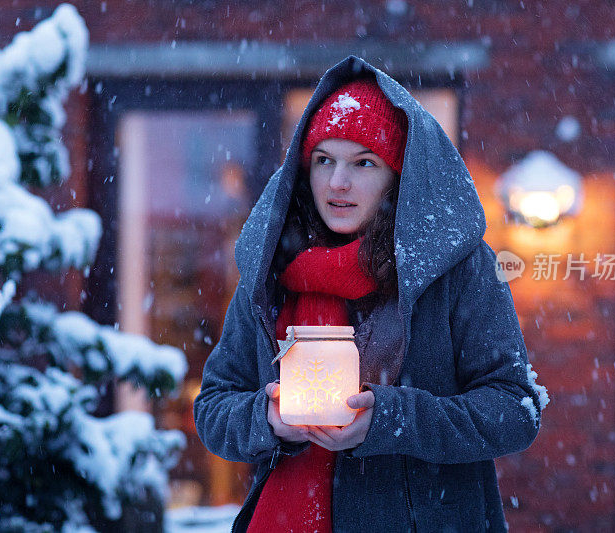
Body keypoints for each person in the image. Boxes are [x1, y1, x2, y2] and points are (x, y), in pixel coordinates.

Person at [194, 55, 544, 533]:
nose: (338, 182)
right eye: (324, 161)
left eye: (363, 162)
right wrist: (269, 419)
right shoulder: (272, 271)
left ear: (396, 177)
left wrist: (391, 420)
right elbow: (214, 406)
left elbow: (514, 410)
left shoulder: (457, 268)